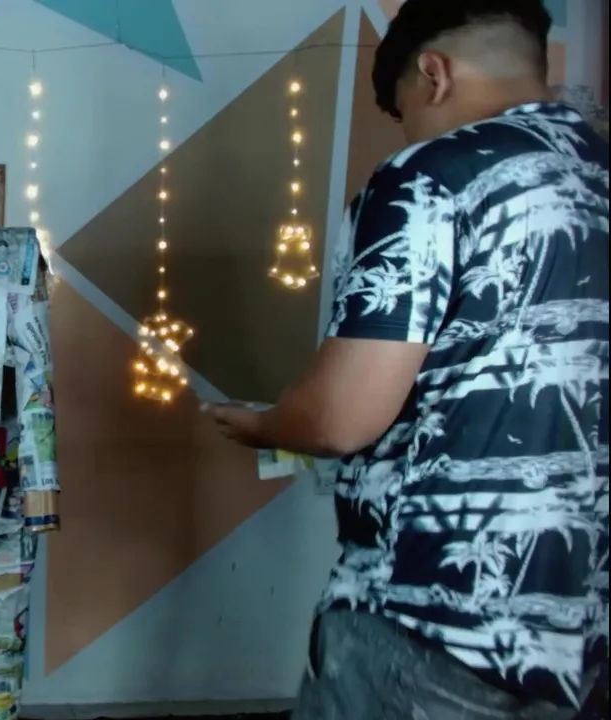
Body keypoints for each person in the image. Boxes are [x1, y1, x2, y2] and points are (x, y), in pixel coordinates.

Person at [202, 1, 608, 717]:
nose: (409, 132)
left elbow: (340, 417)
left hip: (431, 617)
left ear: (433, 74)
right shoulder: (595, 172)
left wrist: (265, 425)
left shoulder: (430, 176)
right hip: (582, 628)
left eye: (403, 112)